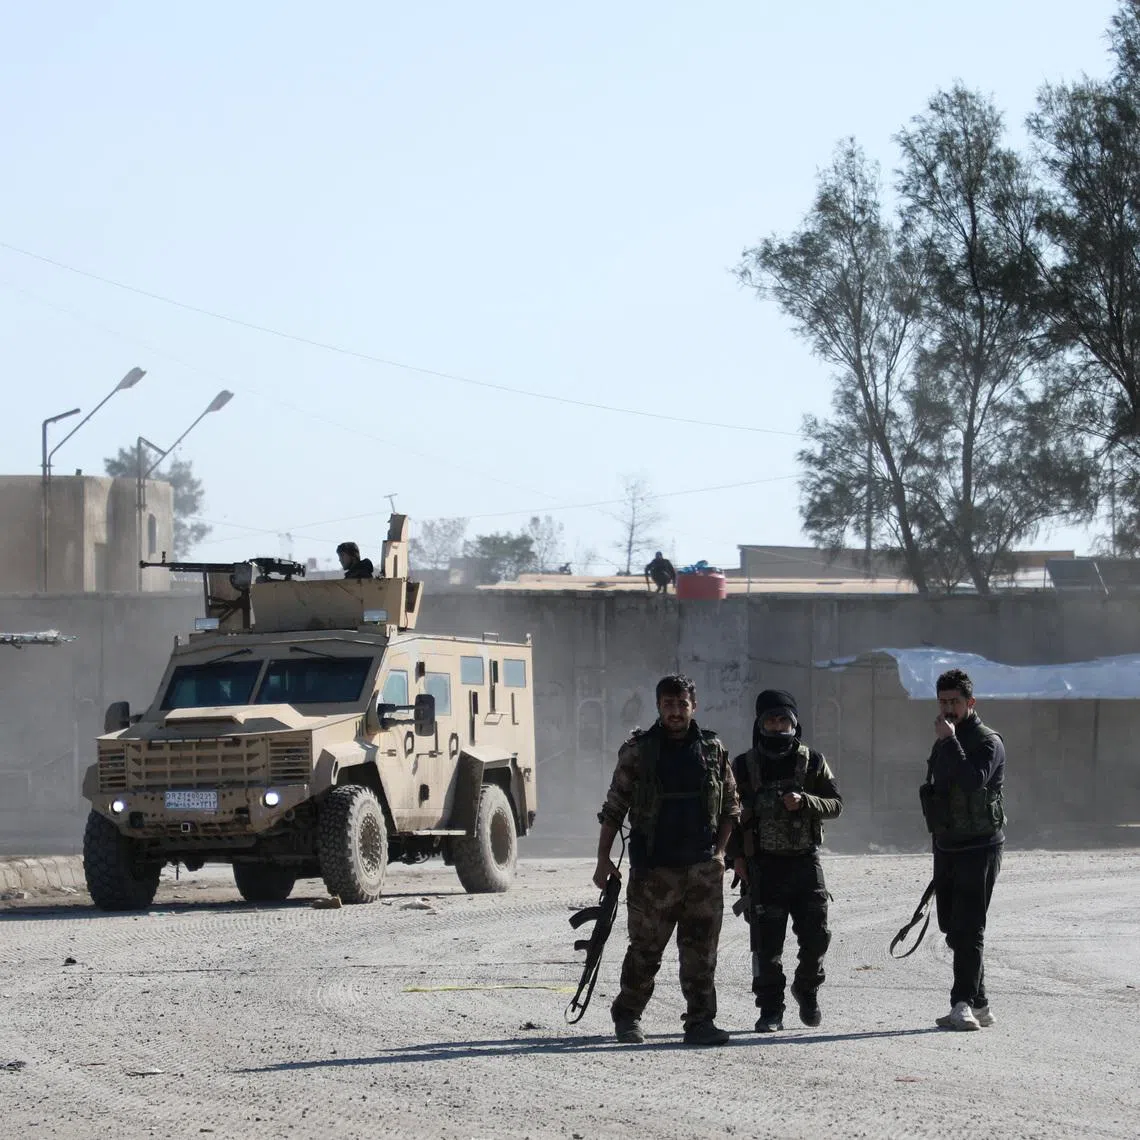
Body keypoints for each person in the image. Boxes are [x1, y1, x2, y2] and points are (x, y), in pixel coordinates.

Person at [594, 673, 739, 1047]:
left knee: (701, 952)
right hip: (653, 871)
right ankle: (627, 1016)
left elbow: (731, 808)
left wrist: (720, 854)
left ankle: (700, 1021)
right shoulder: (639, 751)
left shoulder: (712, 749)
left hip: (702, 870)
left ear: (694, 706)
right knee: (645, 950)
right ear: (659, 706)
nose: (676, 711)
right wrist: (602, 859)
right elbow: (614, 807)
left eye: (682, 704)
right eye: (669, 704)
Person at [729, 689, 842, 1032]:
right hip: (764, 867)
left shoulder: (813, 762)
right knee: (766, 946)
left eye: (783, 720)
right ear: (760, 724)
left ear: (794, 724)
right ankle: (770, 1010)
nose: (777, 727)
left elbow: (836, 804)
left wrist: (806, 800)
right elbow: (729, 815)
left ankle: (806, 989)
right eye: (770, 720)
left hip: (805, 865)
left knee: (816, 937)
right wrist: (736, 858)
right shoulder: (744, 765)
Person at [922, 667, 1005, 1032]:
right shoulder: (944, 741)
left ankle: (962, 1004)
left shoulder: (988, 742)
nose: (948, 708)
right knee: (953, 929)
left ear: (970, 702)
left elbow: (973, 782)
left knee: (969, 928)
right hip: (949, 846)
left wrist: (951, 741)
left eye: (954, 701)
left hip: (980, 846)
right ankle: (981, 1002)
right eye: (942, 702)